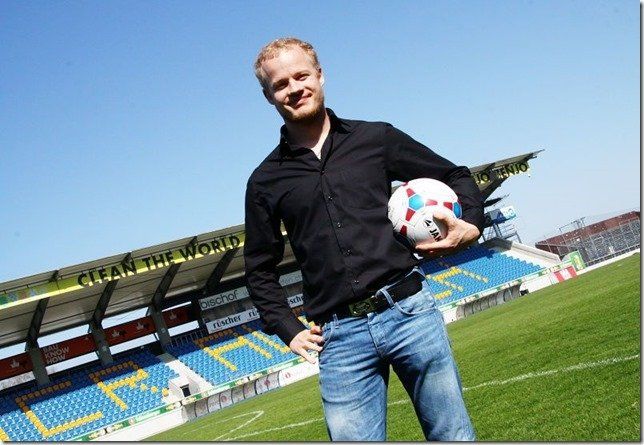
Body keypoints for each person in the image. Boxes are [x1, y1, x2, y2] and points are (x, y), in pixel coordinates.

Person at [244, 37, 483, 441]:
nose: (294, 88)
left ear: (320, 75)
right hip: (339, 338)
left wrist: (471, 223)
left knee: (453, 436)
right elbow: (259, 268)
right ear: (269, 96)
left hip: (410, 312)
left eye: (301, 75)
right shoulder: (264, 181)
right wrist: (286, 326)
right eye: (280, 84)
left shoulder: (376, 138)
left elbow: (454, 174)